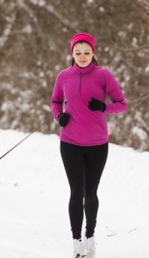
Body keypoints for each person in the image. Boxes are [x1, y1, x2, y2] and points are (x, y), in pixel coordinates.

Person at [50, 32, 128, 258]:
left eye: (86, 52)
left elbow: (121, 105)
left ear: (93, 52)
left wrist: (104, 107)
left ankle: (90, 237)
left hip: (97, 144)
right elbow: (55, 101)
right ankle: (76, 243)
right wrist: (59, 116)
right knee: (76, 191)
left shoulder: (103, 75)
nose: (82, 56)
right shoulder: (64, 76)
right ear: (71, 53)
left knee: (90, 192)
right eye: (78, 52)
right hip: (70, 143)